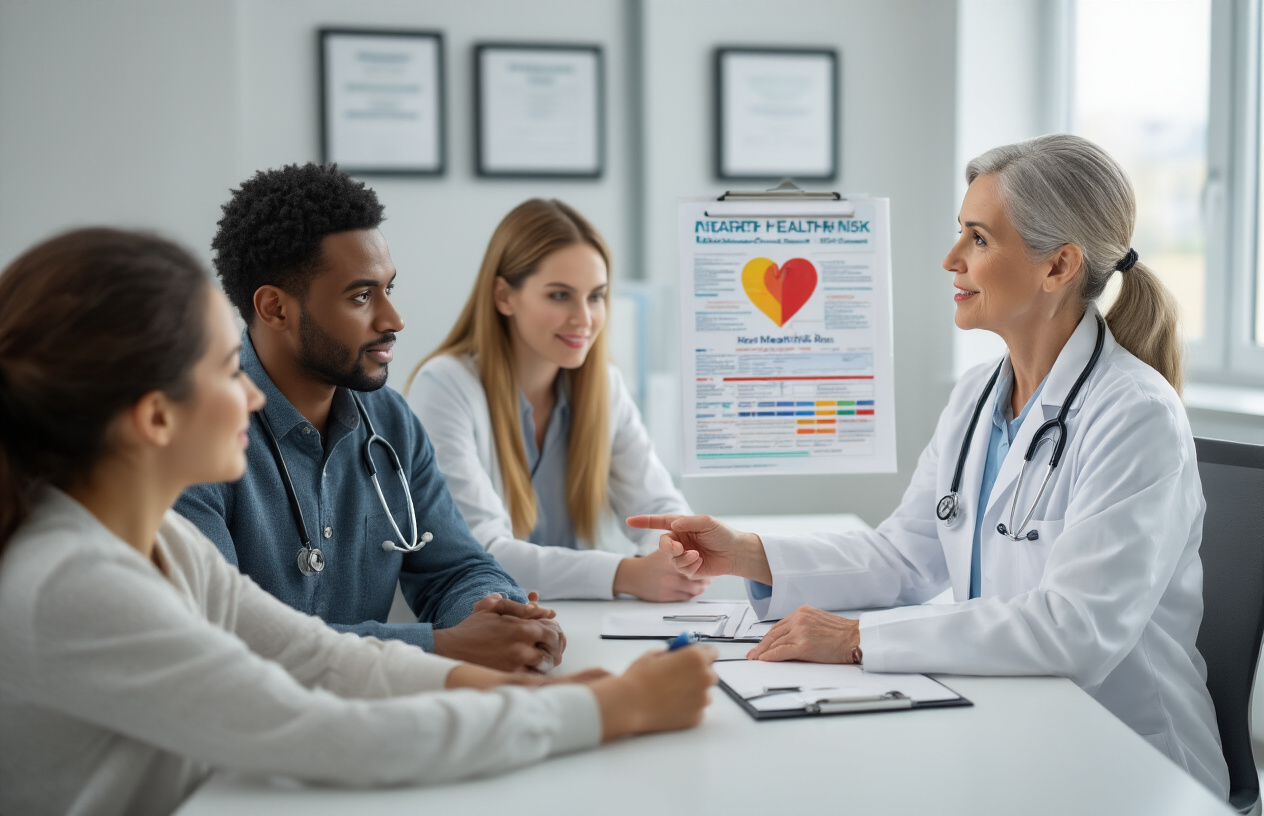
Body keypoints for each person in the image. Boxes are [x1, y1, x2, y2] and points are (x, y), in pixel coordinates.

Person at [0, 228, 717, 816]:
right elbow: (322, 731)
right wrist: (614, 709)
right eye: (226, 369)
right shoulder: (70, 582)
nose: (249, 396)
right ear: (155, 417)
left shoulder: (166, 546)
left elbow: (324, 658)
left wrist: (549, 692)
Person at [630, 135, 1231, 799]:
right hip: (1010, 726)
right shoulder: (978, 396)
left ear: (1058, 267)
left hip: (1126, 760)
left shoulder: (1135, 414)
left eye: (978, 239)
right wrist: (748, 553)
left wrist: (860, 639)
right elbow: (906, 561)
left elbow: (1075, 631)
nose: (951, 260)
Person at [174, 164, 559, 673]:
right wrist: (442, 646)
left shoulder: (390, 421)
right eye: (361, 296)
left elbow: (456, 568)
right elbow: (221, 636)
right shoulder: (195, 435)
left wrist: (497, 614)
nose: (393, 320)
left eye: (388, 289)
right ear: (274, 308)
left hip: (379, 720)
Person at [408, 199, 705, 601]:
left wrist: (676, 554)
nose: (584, 318)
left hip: (572, 622)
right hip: (484, 630)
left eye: (596, 296)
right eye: (560, 295)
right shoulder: (444, 386)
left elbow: (661, 512)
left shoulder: (604, 386)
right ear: (504, 296)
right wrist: (626, 574)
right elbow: (480, 552)